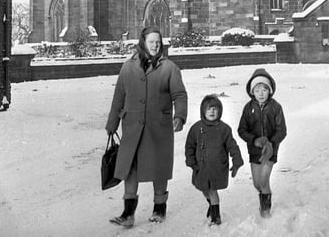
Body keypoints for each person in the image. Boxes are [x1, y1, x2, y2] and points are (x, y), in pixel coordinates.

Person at [105, 26, 188, 228]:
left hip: (158, 127)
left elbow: (179, 95)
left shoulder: (169, 67)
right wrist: (112, 123)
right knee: (130, 169)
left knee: (159, 168)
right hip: (132, 127)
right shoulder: (128, 67)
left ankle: (159, 209)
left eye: (158, 42)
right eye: (151, 42)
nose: (155, 45)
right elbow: (119, 97)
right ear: (143, 42)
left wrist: (180, 116)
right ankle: (128, 213)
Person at [185, 95, 244, 225]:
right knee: (203, 189)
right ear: (203, 111)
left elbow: (232, 146)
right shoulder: (196, 128)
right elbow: (190, 145)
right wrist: (191, 162)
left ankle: (216, 217)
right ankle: (212, 206)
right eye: (208, 109)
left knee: (212, 191)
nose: (212, 111)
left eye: (215, 108)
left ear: (220, 111)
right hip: (201, 167)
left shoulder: (224, 129)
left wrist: (237, 161)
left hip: (217, 167)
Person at [238, 68, 287, 218]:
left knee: (264, 181)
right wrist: (254, 140)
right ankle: (265, 196)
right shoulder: (248, 108)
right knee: (257, 184)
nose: (261, 93)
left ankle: (265, 210)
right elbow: (242, 129)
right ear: (252, 91)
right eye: (257, 90)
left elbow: (282, 130)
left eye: (264, 89)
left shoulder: (276, 107)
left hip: (270, 151)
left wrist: (271, 143)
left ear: (270, 91)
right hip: (254, 151)